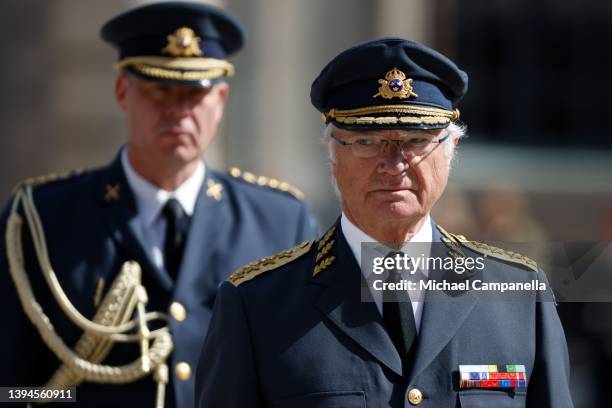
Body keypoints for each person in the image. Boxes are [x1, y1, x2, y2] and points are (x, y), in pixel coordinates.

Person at [195, 38, 573, 407]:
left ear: (451, 149)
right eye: (367, 142)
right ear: (332, 154)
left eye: (415, 141)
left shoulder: (520, 296)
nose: (394, 165)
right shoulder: (258, 305)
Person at [0, 2, 316, 407]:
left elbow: (300, 379)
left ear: (220, 100)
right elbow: (11, 390)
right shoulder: (41, 221)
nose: (178, 111)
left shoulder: (278, 221)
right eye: (159, 89)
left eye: (194, 94)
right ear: (121, 92)